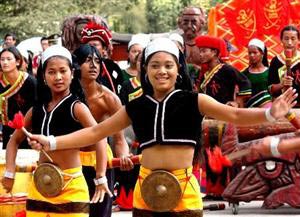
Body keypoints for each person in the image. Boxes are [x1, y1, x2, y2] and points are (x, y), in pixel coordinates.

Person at [27, 38, 297, 217]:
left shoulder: (195, 101)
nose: (162, 71)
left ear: (179, 70)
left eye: (168, 65)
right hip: (146, 190)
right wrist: (52, 142)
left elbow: (235, 115)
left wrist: (271, 114)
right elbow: (97, 132)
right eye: (154, 65)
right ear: (145, 70)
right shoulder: (137, 106)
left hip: (183, 188)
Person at [1, 45, 111, 217]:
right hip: (41, 185)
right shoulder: (37, 109)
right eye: (51, 72)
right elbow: (13, 140)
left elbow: (100, 138)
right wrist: (9, 172)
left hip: (71, 184)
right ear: (44, 77)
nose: (58, 77)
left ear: (72, 73)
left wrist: (101, 176)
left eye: (63, 71)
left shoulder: (77, 107)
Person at [73, 44, 132, 217]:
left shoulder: (109, 98)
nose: (93, 66)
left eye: (97, 61)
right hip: (71, 162)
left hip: (100, 161)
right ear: (76, 65)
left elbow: (120, 141)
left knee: (100, 213)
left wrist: (124, 157)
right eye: (87, 61)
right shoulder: (66, 94)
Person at [196, 35, 251, 107]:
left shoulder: (226, 69)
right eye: (200, 51)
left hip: (225, 111)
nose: (200, 54)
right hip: (209, 112)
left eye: (204, 51)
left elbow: (245, 82)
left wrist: (237, 101)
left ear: (214, 52)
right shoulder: (204, 74)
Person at [0, 46, 37, 149]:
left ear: (17, 61)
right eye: (2, 59)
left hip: (26, 130)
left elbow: (36, 108)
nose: (5, 62)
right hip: (7, 129)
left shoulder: (30, 82)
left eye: (8, 59)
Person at [81, 22, 124, 96]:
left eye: (95, 45)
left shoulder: (112, 67)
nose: (91, 49)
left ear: (104, 48)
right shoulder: (79, 68)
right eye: (88, 45)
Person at [268, 25, 300, 107]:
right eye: (286, 39)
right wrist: (282, 84)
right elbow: (271, 89)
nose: (289, 43)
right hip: (282, 108)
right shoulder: (276, 61)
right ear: (281, 40)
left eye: (293, 39)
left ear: (298, 40)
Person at [242, 38, 272, 108]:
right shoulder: (244, 74)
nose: (252, 55)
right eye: (250, 53)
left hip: (268, 108)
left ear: (262, 54)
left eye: (255, 53)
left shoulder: (270, 72)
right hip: (251, 109)